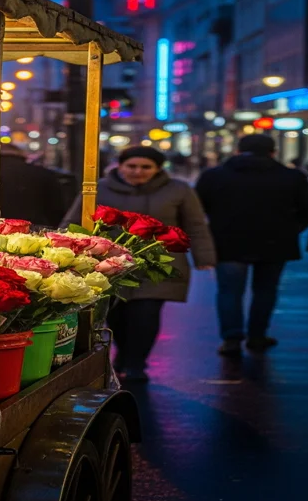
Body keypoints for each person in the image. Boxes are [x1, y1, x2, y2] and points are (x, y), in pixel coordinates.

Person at [62, 146, 216, 382]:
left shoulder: (178, 190)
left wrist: (204, 258)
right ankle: (124, 354)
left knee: (146, 314)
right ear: (120, 166)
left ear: (157, 169)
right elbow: (75, 219)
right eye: (131, 166)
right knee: (117, 315)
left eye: (146, 167)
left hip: (158, 264)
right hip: (110, 264)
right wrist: (64, 250)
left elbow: (195, 224)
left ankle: (136, 363)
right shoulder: (99, 188)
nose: (138, 172)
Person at [195, 134, 308, 356]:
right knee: (265, 290)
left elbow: (197, 210)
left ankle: (232, 338)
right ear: (273, 152)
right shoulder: (292, 177)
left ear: (237, 150)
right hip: (275, 242)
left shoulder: (214, 176)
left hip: (227, 241)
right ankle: (257, 335)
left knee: (229, 292)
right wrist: (292, 229)